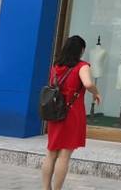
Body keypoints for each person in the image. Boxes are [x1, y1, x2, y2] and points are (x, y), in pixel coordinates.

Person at [41, 35, 102, 190]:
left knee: (51, 153)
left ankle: (45, 188)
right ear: (80, 50)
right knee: (64, 155)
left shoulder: (56, 66)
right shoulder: (82, 66)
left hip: (55, 112)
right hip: (71, 113)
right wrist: (96, 92)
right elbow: (87, 83)